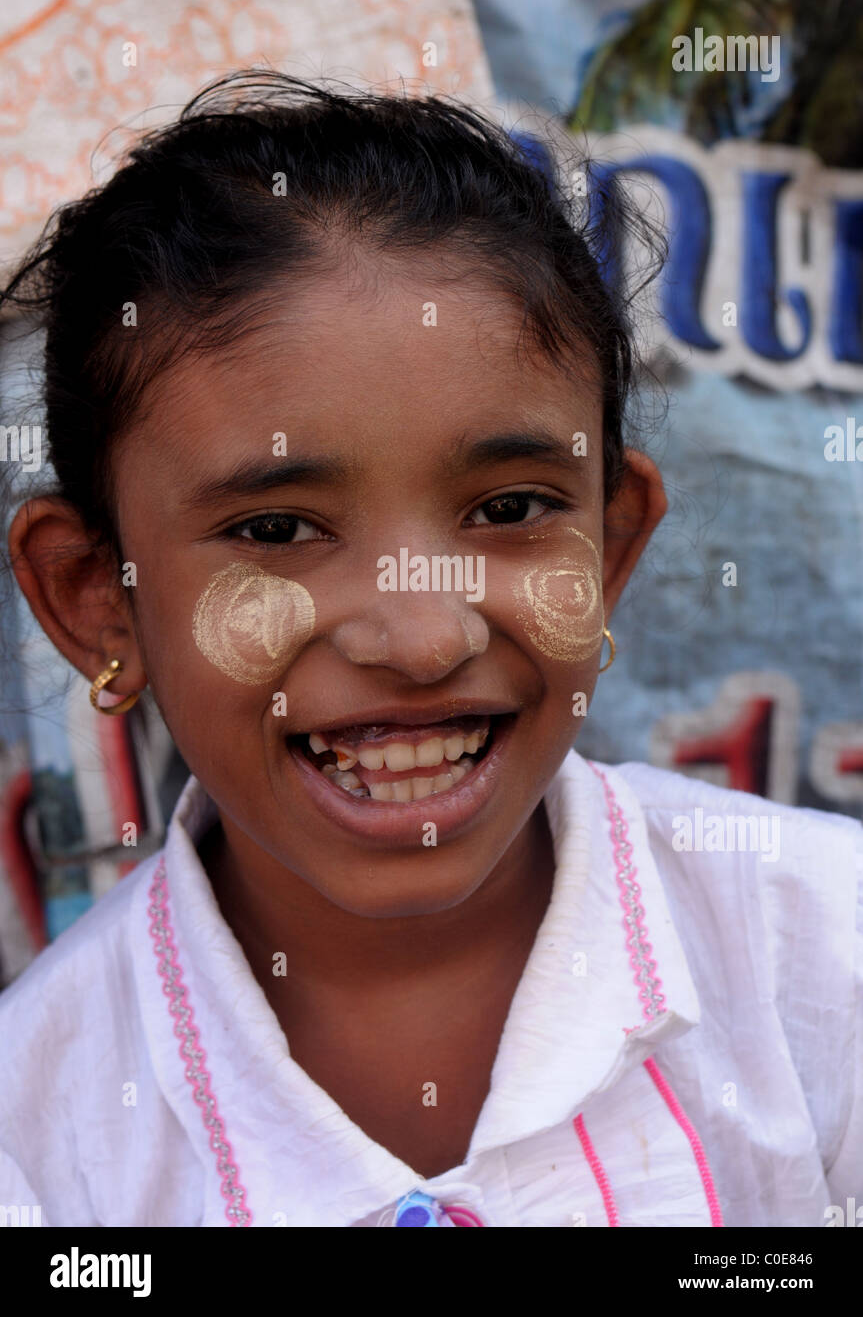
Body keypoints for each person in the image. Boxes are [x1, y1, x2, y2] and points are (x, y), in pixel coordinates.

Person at [0, 71, 859, 1227]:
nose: (419, 635)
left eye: (507, 510)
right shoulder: (39, 1138)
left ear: (608, 548)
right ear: (98, 596)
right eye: (275, 529)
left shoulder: (825, 962)